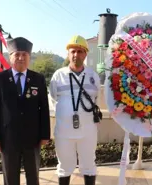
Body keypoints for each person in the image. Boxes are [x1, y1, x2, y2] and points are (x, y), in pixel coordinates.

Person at [0, 37, 50, 185]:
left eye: (24, 54)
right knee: (10, 177)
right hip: (8, 138)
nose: (21, 58)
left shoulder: (38, 79)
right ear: (10, 57)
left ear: (29, 57)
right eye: (17, 54)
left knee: (33, 177)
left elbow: (44, 109)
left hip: (32, 138)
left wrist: (45, 135)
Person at [49, 35, 102, 185]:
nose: (75, 55)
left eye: (80, 51)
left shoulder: (93, 76)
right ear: (68, 53)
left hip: (88, 131)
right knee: (64, 166)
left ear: (85, 54)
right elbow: (53, 100)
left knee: (89, 165)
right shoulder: (58, 76)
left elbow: (96, 98)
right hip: (64, 132)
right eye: (73, 51)